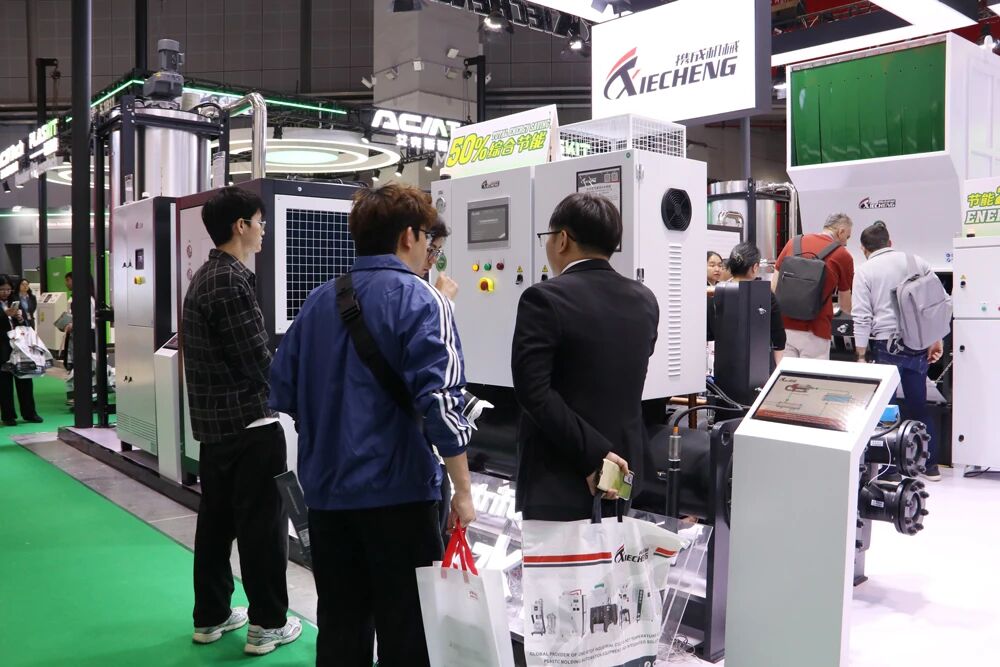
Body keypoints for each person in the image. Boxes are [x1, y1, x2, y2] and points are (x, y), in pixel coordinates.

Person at [269, 183, 476, 667]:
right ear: (409, 236)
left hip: (327, 497)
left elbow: (283, 389)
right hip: (399, 496)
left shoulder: (318, 301)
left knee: (341, 627)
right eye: (428, 238)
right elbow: (442, 405)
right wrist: (463, 491)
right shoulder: (424, 301)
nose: (429, 250)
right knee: (408, 634)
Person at [181, 187, 301, 655]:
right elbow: (258, 361)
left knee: (215, 525)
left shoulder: (205, 277)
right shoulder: (231, 281)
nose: (263, 230)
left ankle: (211, 616)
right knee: (263, 529)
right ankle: (267, 623)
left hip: (215, 430)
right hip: (251, 427)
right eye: (259, 221)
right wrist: (299, 397)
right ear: (241, 226)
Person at [512, 192, 659, 521]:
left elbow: (533, 392)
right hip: (621, 473)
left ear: (562, 239)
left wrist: (595, 455)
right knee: (612, 551)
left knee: (560, 557)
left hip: (559, 475)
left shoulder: (543, 298)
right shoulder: (645, 299)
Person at [852, 221, 942, 482]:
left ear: (864, 249)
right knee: (918, 403)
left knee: (886, 408)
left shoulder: (865, 271)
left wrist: (860, 355)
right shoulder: (917, 262)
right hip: (917, 342)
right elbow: (936, 303)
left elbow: (861, 316)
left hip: (885, 344)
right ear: (890, 242)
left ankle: (889, 470)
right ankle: (930, 466)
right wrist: (936, 339)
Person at [772, 213, 855, 360]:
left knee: (786, 373)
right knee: (812, 375)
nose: (846, 243)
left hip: (784, 326)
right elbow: (845, 306)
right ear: (840, 231)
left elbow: (774, 287)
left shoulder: (793, 242)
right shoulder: (843, 255)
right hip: (816, 330)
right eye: (847, 237)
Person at [728, 242, 786, 365]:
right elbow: (778, 335)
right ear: (755, 267)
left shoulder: (717, 290)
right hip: (758, 361)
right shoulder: (764, 294)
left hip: (724, 361)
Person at [0, 276, 42, 425]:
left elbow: (26, 322)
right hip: (2, 347)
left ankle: (29, 413)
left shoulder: (14, 301)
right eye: (2, 289)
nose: (5, 292)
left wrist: (20, 318)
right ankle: (8, 416)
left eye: (8, 289)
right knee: (4, 384)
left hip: (19, 346)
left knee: (25, 379)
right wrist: (4, 315)